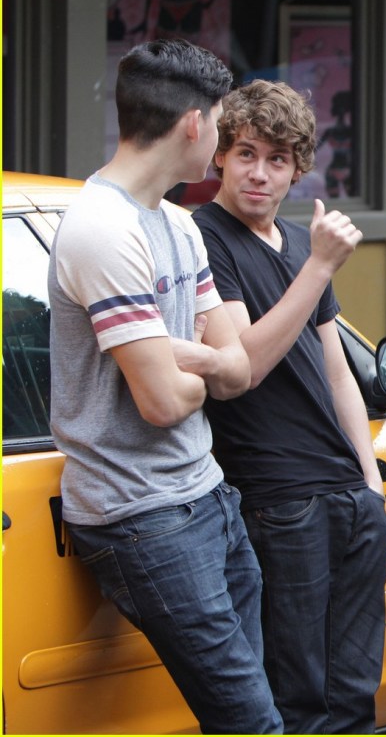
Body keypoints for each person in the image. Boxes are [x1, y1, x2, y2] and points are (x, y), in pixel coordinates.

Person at [48, 39, 283, 734]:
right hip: (140, 517)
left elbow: (236, 368)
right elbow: (159, 402)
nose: (217, 143)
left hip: (208, 494)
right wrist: (200, 367)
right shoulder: (102, 229)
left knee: (246, 715)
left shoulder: (178, 224)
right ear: (193, 123)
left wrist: (184, 358)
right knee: (253, 724)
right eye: (217, 125)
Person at [192, 79, 386, 734]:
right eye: (245, 153)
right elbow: (240, 365)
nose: (259, 172)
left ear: (299, 170)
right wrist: (321, 268)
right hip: (279, 500)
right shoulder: (204, 240)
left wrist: (369, 482)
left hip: (347, 498)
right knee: (299, 698)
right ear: (220, 154)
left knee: (354, 697)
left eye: (277, 159)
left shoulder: (302, 247)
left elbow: (337, 370)